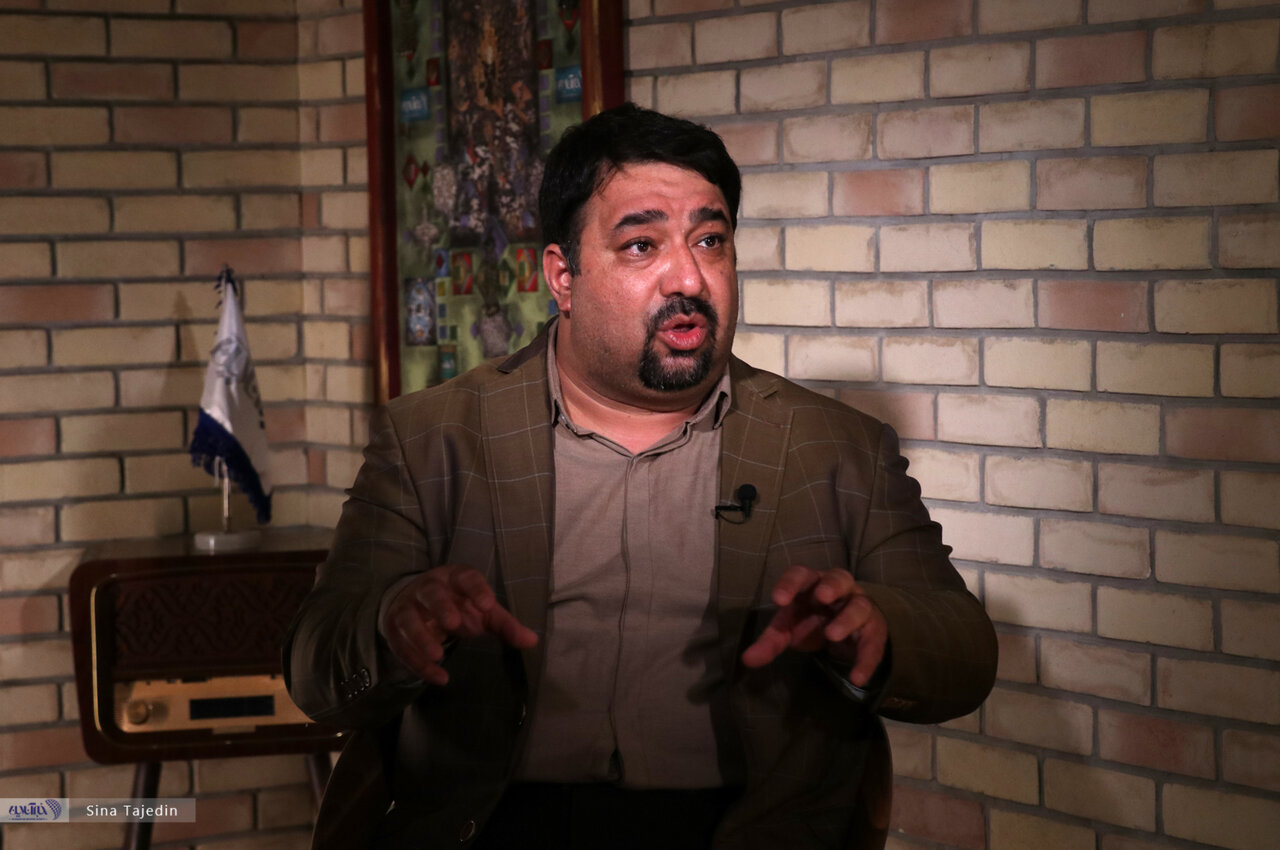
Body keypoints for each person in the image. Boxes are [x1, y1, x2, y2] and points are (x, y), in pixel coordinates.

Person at [284, 104, 997, 850]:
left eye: (710, 240)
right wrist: (393, 624)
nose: (688, 277)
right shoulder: (434, 439)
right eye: (641, 245)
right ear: (563, 275)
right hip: (496, 826)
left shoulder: (835, 447)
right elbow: (314, 666)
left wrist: (876, 631)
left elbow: (964, 652)